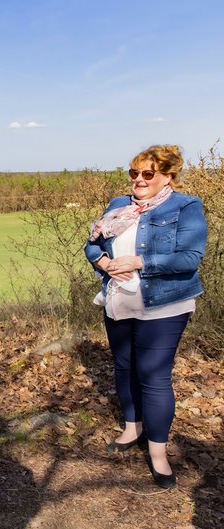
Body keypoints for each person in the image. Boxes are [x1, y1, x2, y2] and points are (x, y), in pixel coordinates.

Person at [85, 144, 206, 489]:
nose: (139, 179)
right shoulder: (118, 205)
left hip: (163, 305)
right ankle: (131, 428)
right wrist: (102, 262)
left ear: (167, 176)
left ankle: (158, 453)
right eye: (134, 173)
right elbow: (91, 244)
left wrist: (140, 263)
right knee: (123, 366)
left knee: (153, 377)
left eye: (148, 173)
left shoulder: (185, 206)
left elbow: (190, 257)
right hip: (118, 302)